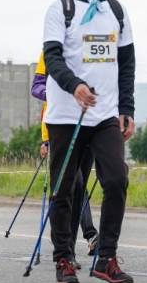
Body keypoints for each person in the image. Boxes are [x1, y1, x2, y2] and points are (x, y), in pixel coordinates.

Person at [42, 0, 136, 283]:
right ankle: (63, 258)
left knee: (116, 179)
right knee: (65, 189)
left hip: (105, 115)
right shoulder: (60, 9)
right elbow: (52, 59)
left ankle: (106, 257)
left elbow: (126, 64)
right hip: (67, 114)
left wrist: (127, 109)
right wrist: (75, 86)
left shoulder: (116, 11)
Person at [33, 50, 98, 268]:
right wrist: (61, 93)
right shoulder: (51, 49)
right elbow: (37, 86)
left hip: (89, 125)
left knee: (80, 189)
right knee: (72, 183)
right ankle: (64, 250)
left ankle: (70, 247)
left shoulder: (92, 45)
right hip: (61, 126)